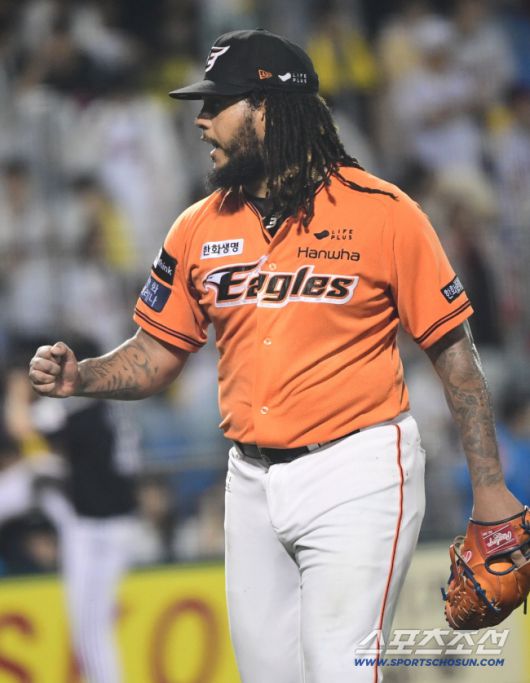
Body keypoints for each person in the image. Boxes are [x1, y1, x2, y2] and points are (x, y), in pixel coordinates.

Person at [28, 29, 524, 683]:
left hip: (358, 468)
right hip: (250, 481)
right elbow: (157, 352)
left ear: (266, 108)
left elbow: (456, 355)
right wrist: (83, 376)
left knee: (339, 668)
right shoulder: (198, 226)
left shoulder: (385, 213)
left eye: (218, 103)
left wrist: (490, 489)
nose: (201, 119)